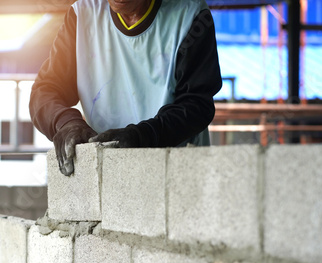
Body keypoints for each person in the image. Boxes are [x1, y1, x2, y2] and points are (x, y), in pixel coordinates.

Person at [30, 0, 222, 176]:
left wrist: (144, 136)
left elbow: (197, 104)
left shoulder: (190, 14)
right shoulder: (82, 15)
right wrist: (66, 123)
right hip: (108, 176)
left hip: (177, 173)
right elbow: (46, 91)